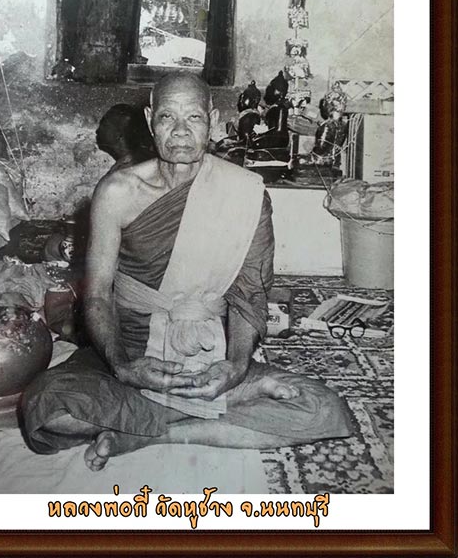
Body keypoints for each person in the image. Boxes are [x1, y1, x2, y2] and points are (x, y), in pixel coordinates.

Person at [22, 72, 353, 470]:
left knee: (323, 408)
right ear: (150, 120)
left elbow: (249, 294)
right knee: (45, 408)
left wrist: (235, 366)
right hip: (134, 348)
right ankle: (199, 409)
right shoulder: (117, 192)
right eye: (168, 117)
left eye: (193, 117)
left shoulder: (244, 192)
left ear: (212, 120)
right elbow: (96, 294)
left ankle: (150, 432)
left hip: (207, 353)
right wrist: (124, 367)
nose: (180, 131)